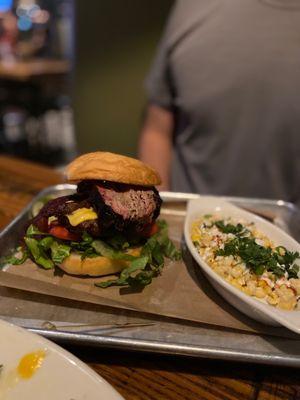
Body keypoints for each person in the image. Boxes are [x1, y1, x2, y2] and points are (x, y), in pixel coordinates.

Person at [138, 0, 300, 205]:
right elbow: (157, 129)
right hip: (180, 227)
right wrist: (160, 218)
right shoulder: (193, 7)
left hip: (286, 233)